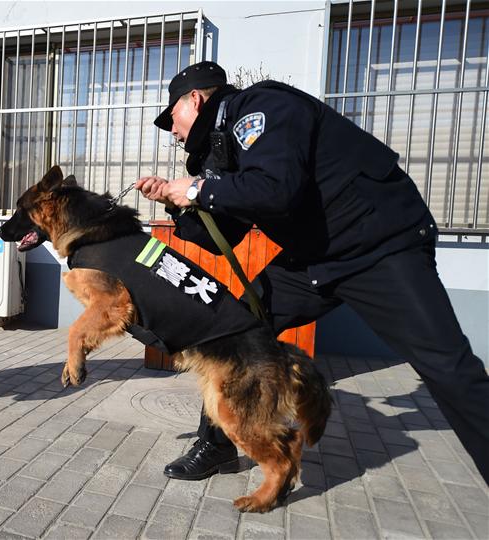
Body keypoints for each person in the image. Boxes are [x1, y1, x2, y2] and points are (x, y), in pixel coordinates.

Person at [137, 61, 489, 484]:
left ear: (194, 99)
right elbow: (222, 237)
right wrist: (176, 204)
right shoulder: (220, 151)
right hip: (315, 259)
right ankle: (217, 445)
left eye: (170, 117)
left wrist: (195, 189)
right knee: (232, 329)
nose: (171, 131)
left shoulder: (262, 107)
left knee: (447, 366)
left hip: (380, 244)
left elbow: (276, 189)